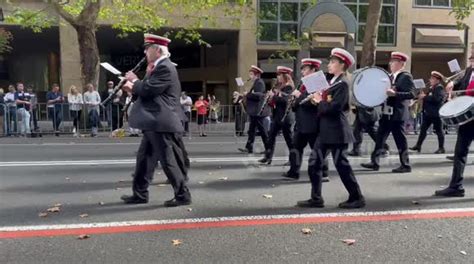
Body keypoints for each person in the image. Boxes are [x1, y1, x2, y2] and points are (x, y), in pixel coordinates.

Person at [121, 33, 191, 207]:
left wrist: (135, 81)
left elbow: (150, 89)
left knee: (168, 160)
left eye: (147, 49)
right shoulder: (156, 67)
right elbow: (148, 92)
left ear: (158, 50)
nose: (145, 52)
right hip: (154, 121)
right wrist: (133, 88)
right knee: (144, 159)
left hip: (161, 121)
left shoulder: (165, 67)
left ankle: (182, 195)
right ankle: (140, 193)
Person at [297, 48, 365, 209]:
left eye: (333, 62)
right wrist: (316, 101)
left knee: (342, 166)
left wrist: (319, 100)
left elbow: (334, 108)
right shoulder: (332, 82)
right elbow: (324, 105)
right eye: (331, 61)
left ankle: (357, 197)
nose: (329, 64)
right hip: (326, 130)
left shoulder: (342, 84)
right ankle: (316, 198)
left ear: (342, 65)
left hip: (337, 131)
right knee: (314, 163)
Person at [361, 52, 415, 173]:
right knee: (380, 138)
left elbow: (412, 94)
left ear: (401, 64)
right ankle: (374, 162)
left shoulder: (405, 76)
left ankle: (406, 165)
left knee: (400, 140)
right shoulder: (389, 77)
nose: (391, 63)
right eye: (391, 61)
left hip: (397, 113)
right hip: (386, 113)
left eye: (394, 61)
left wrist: (395, 94)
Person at [435, 54, 474, 197]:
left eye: (473, 60)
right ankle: (456, 186)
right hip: (468, 119)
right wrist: (453, 84)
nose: (471, 63)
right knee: (460, 152)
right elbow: (462, 84)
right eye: (471, 60)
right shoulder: (469, 71)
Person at [283, 58, 329, 181]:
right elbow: (300, 100)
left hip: (312, 122)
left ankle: (323, 173)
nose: (302, 71)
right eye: (302, 69)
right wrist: (293, 101)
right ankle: (294, 172)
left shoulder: (317, 81)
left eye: (305, 69)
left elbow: (312, 101)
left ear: (313, 69)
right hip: (302, 122)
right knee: (295, 147)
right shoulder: (303, 83)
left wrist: (298, 97)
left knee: (317, 149)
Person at [258, 66, 295, 165]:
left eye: (279, 75)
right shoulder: (279, 86)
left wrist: (273, 96)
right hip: (277, 116)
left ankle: (293, 159)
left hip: (285, 117)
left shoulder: (289, 87)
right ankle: (268, 157)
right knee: (271, 136)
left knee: (289, 139)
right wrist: (270, 99)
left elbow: (285, 101)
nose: (278, 77)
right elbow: (276, 102)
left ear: (285, 76)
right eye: (277, 75)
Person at [410, 71, 446, 154]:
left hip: (436, 114)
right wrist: (420, 96)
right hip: (428, 113)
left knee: (439, 131)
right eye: (431, 78)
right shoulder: (431, 88)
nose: (430, 80)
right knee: (423, 130)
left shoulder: (439, 88)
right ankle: (418, 145)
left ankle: (441, 148)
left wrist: (425, 97)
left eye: (432, 79)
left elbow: (436, 99)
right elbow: (426, 97)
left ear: (437, 80)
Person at [238, 65, 270, 154]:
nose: (250, 76)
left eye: (251, 74)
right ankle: (249, 147)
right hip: (254, 111)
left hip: (258, 110)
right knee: (251, 130)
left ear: (257, 75)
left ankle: (268, 148)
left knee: (262, 130)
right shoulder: (256, 82)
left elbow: (259, 95)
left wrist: (247, 94)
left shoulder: (259, 82)